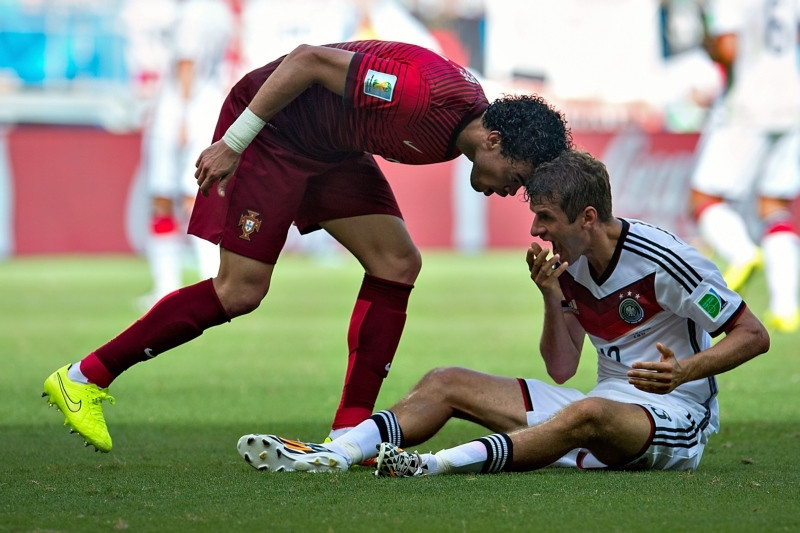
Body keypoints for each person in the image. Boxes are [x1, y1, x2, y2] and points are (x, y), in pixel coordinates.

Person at [42, 40, 573, 452]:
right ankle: (82, 378)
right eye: (517, 178)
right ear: (495, 142)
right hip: (273, 132)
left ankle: (350, 431)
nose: (511, 191)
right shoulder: (421, 95)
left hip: (330, 148)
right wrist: (234, 141)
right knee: (240, 290)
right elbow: (308, 61)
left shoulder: (460, 133)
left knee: (397, 261)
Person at [236, 150, 769, 476]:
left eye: (545, 218)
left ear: (587, 217)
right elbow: (562, 368)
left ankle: (431, 466)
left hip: (673, 418)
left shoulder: (667, 262)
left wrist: (685, 371)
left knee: (583, 416)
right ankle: (336, 454)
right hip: (600, 405)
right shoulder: (572, 262)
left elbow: (752, 334)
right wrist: (551, 294)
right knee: (446, 381)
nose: (536, 231)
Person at [689, 0, 800, 333]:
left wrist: (707, 41)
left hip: (749, 107)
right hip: (792, 104)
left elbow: (729, 49)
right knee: (775, 206)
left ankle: (741, 253)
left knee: (704, 199)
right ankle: (786, 308)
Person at [136, 0, 233, 308]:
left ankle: (178, 284)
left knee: (173, 198)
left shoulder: (192, 12)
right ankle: (207, 280)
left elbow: (186, 63)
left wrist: (182, 115)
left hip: (181, 107)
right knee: (189, 195)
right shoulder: (220, 12)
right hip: (206, 104)